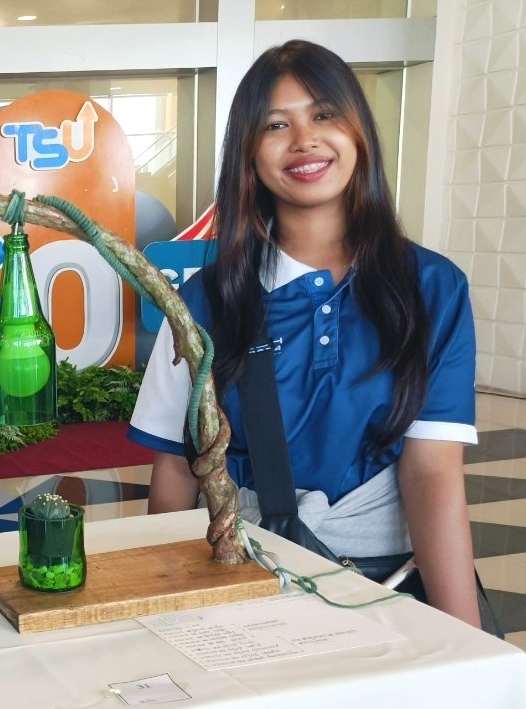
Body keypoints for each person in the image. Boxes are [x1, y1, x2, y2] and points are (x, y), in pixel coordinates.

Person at [129, 40, 482, 628]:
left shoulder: (432, 288)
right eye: (276, 124)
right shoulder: (202, 302)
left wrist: (463, 640)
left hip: (389, 587)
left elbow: (433, 472)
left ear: (358, 131)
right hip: (247, 580)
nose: (304, 140)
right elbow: (177, 469)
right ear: (248, 154)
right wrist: (161, 612)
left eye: (324, 114)